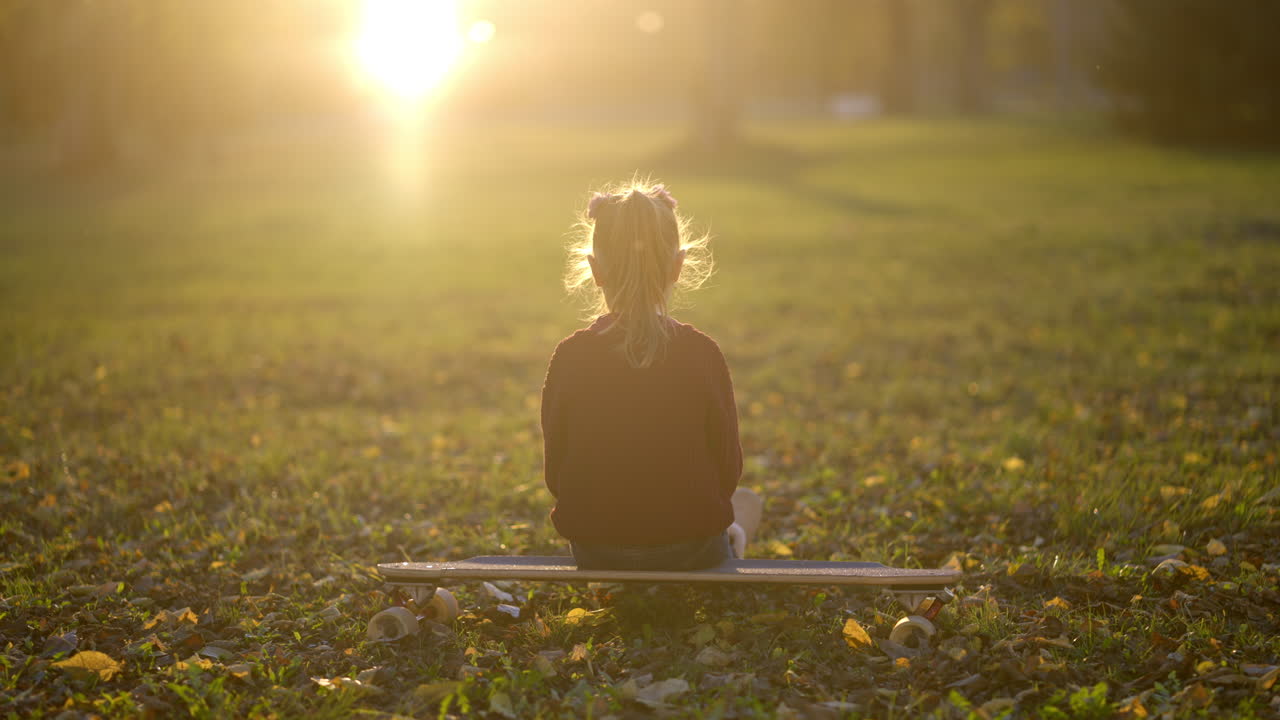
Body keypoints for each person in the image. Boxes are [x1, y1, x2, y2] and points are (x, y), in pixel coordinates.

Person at [540, 180, 761, 571]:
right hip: (690, 548)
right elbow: (727, 471)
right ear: (678, 266)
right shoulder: (702, 354)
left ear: (594, 270)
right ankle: (734, 545)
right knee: (746, 503)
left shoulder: (570, 356)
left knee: (738, 504)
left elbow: (558, 472)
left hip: (597, 548)